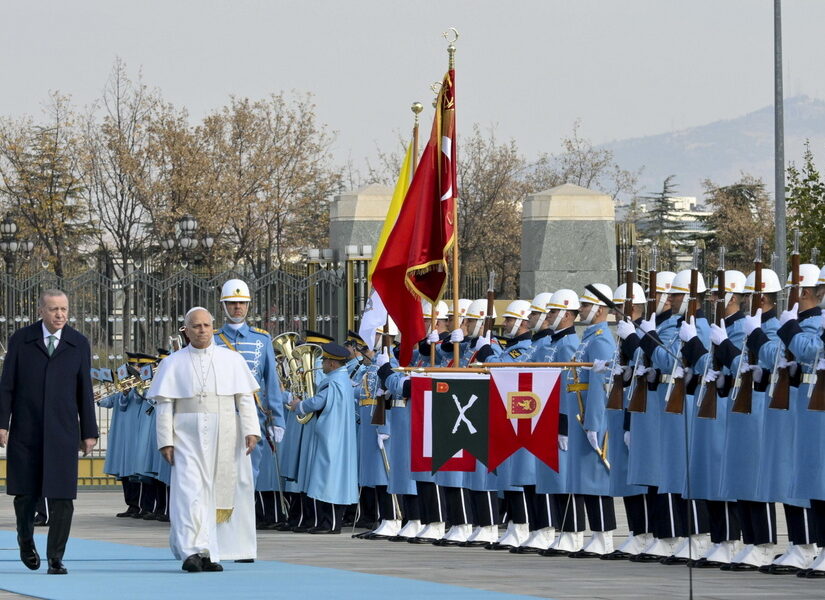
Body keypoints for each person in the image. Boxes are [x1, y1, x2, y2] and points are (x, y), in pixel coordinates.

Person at [148, 307, 261, 572]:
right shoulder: (172, 362)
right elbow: (165, 406)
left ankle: (208, 552)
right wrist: (165, 440)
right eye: (196, 326)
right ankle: (190, 552)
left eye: (206, 325)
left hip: (226, 434)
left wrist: (251, 430)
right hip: (186, 435)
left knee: (214, 493)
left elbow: (244, 399)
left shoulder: (231, 360)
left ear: (213, 328)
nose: (201, 330)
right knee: (189, 493)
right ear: (186, 330)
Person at [0, 289, 98, 575]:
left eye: (64, 309)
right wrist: (2, 424)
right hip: (26, 429)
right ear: (41, 310)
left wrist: (89, 432)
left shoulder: (78, 343)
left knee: (62, 498)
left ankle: (56, 557)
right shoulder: (22, 340)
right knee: (26, 494)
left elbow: (84, 389)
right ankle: (25, 539)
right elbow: (7, 385)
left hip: (63, 431)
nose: (60, 315)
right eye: (54, 309)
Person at [214, 279, 286, 531]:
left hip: (252, 416)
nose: (237, 308)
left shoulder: (262, 340)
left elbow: (271, 382)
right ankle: (221, 522)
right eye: (232, 304)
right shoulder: (214, 339)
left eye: (242, 304)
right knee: (220, 469)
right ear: (224, 306)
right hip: (220, 414)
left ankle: (243, 522)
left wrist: (277, 419)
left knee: (249, 472)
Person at [288, 342, 358, 533]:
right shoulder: (341, 379)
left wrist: (299, 405)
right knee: (329, 477)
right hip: (335, 435)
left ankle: (329, 523)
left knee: (326, 478)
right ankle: (326, 523)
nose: (323, 363)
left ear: (333, 364)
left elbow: (319, 402)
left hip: (330, 436)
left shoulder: (335, 381)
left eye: (325, 360)